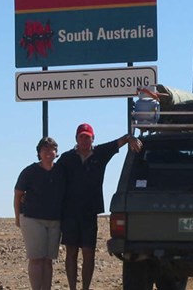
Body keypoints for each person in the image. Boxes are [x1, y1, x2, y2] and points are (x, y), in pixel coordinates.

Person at [57, 123, 143, 290]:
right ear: (76, 139)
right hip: (70, 212)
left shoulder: (100, 153)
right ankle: (72, 287)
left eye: (87, 137)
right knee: (71, 252)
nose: (84, 140)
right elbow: (52, 176)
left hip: (90, 212)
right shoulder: (66, 159)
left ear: (93, 138)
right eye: (81, 136)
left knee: (89, 253)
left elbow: (120, 141)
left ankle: (86, 288)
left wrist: (131, 138)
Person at [14, 137, 65, 290]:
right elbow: (18, 194)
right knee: (36, 258)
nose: (49, 153)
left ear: (56, 152)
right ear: (39, 153)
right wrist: (17, 217)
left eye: (52, 150)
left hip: (54, 220)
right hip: (32, 218)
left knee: (48, 260)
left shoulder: (61, 171)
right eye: (45, 150)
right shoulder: (29, 171)